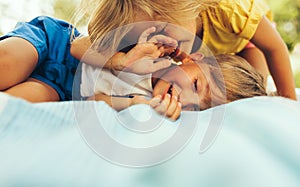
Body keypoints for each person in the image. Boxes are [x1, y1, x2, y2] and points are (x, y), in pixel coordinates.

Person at [74, 0, 296, 100]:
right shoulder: (145, 29)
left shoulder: (227, 8)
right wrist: (120, 58)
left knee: (252, 92)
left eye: (162, 30)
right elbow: (84, 44)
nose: (159, 42)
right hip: (206, 57)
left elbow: (274, 47)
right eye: (148, 37)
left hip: (245, 42)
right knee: (213, 88)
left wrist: (289, 98)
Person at [82, 51, 267, 120]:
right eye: (195, 85)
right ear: (192, 59)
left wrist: (133, 104)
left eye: (196, 108)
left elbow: (90, 101)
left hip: (62, 85)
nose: (185, 100)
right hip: (61, 45)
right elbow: (78, 45)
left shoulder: (150, 102)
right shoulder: (153, 51)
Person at [0, 16, 81, 102]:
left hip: (64, 88)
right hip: (56, 42)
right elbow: (77, 46)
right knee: (7, 62)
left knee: (25, 99)